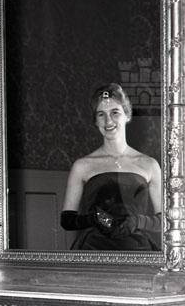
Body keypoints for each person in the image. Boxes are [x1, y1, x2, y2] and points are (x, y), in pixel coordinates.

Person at [60, 83, 162, 250]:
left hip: (137, 251)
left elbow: (166, 221)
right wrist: (96, 219)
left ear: (127, 115)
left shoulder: (149, 164)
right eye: (101, 114)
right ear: (95, 121)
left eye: (115, 112)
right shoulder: (82, 166)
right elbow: (67, 220)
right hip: (93, 251)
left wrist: (137, 221)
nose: (108, 121)